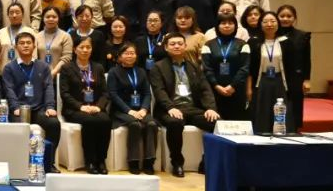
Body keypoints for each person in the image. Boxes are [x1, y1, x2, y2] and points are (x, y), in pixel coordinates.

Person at [150, 33, 219, 177]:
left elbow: (205, 89)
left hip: (192, 108)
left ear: (185, 46)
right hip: (169, 109)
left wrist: (210, 108)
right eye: (172, 44)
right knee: (174, 123)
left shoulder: (194, 66)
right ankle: (177, 163)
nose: (177, 46)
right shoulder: (158, 67)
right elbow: (159, 91)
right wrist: (170, 107)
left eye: (180, 44)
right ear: (166, 47)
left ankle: (206, 162)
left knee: (217, 123)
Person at [2, 32, 61, 173]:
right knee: (17, 128)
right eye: (22, 43)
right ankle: (18, 163)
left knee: (54, 124)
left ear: (34, 46)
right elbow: (9, 89)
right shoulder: (9, 68)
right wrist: (15, 107)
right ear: (16, 47)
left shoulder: (43, 66)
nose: (25, 46)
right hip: (19, 110)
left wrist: (50, 106)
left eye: (28, 43)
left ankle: (49, 162)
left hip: (39, 109)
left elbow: (48, 88)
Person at [59, 37, 112, 175]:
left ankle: (101, 160)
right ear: (74, 49)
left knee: (106, 120)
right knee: (89, 121)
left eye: (88, 47)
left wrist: (99, 107)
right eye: (81, 47)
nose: (85, 50)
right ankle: (90, 161)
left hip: (95, 108)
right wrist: (80, 106)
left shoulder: (98, 67)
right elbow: (65, 94)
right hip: (74, 109)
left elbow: (105, 93)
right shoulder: (67, 68)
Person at [107, 43, 158, 175]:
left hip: (140, 110)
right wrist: (129, 111)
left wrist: (144, 109)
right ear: (120, 56)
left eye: (132, 53)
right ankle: (133, 161)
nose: (130, 56)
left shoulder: (141, 72)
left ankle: (149, 161)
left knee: (151, 124)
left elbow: (147, 93)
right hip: (121, 111)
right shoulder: (113, 72)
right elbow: (113, 94)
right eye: (126, 53)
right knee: (135, 124)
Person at [249, 11, 295, 133]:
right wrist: (248, 88)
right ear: (260, 24)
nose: (269, 24)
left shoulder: (286, 42)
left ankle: (281, 132)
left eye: (273, 21)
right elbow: (250, 68)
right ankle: (261, 132)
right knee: (262, 108)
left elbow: (291, 66)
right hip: (262, 80)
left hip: (279, 80)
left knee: (280, 107)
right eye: (265, 22)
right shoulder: (254, 42)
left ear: (278, 24)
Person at [202, 14, 250, 121]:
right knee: (217, 121)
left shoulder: (243, 44)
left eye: (230, 23)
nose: (227, 26)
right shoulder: (208, 45)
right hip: (215, 90)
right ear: (217, 26)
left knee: (237, 121)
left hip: (236, 89)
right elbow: (207, 68)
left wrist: (232, 86)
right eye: (223, 23)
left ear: (235, 26)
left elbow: (244, 68)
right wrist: (216, 85)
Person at [276, 5, 311, 131]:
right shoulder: (272, 34)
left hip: (296, 76)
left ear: (294, 18)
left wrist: (307, 79)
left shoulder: (302, 35)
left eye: (289, 16)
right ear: (277, 17)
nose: (285, 19)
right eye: (282, 16)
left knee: (295, 102)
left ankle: (294, 128)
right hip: (277, 74)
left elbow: (307, 59)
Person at [0, 3, 37, 69]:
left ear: (22, 15)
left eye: (17, 12)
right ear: (8, 15)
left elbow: (34, 55)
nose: (14, 15)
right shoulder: (1, 32)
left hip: (23, 70)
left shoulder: (30, 32)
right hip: (4, 70)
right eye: (11, 13)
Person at [36, 6, 73, 78]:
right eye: (48, 17)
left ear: (58, 18)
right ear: (43, 18)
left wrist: (53, 73)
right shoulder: (36, 36)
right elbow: (34, 58)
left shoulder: (65, 36)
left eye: (54, 17)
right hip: (40, 76)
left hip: (60, 76)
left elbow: (67, 58)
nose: (51, 19)